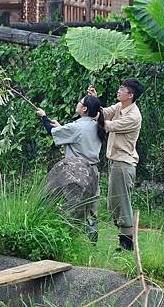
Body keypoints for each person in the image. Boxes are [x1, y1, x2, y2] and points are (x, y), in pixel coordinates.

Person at [36, 95, 105, 243]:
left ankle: (67, 239)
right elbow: (74, 137)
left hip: (77, 173)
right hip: (93, 171)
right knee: (92, 208)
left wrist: (43, 117)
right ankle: (92, 242)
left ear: (84, 109)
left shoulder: (76, 127)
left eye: (80, 102)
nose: (78, 103)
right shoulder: (96, 125)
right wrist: (61, 126)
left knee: (71, 207)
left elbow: (51, 131)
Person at [88, 78, 143, 252]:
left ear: (130, 95)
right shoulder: (120, 106)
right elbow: (104, 113)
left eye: (122, 89)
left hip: (124, 163)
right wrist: (95, 101)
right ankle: (123, 243)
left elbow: (106, 125)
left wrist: (92, 108)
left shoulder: (133, 116)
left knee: (122, 204)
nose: (118, 91)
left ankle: (126, 246)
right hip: (116, 163)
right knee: (114, 204)